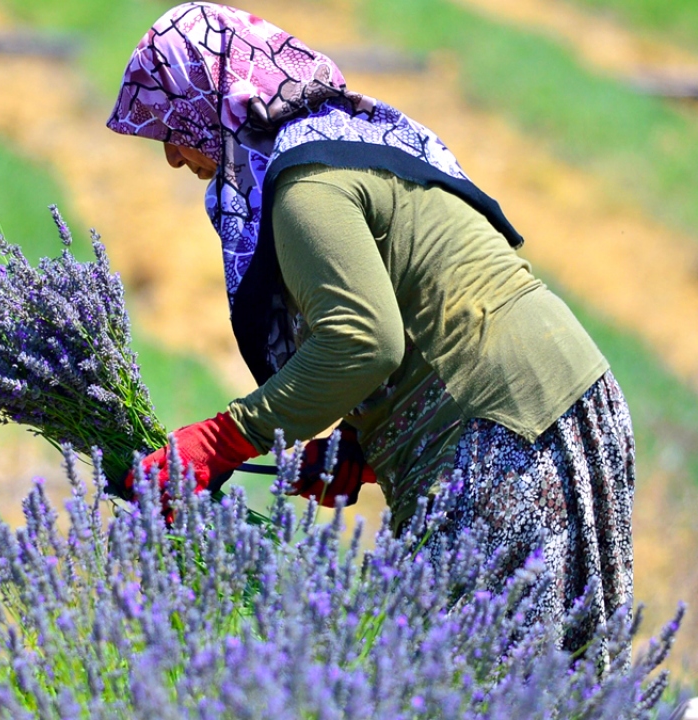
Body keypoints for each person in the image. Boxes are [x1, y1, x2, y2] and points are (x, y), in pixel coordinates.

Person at [107, 2, 634, 650]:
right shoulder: (338, 142)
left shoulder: (305, 188)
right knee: (568, 682)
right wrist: (357, 449)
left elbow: (362, 341)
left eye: (170, 127)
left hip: (502, 431)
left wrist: (223, 440)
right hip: (558, 401)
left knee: (486, 687)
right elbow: (412, 298)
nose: (170, 156)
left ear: (208, 104)